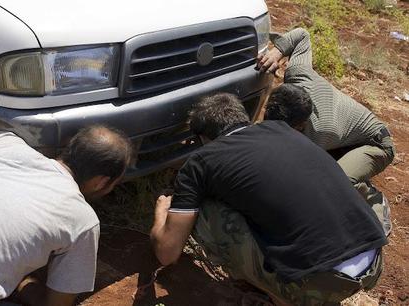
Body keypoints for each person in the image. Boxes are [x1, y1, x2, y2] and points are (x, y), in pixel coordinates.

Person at [150, 93, 387, 305]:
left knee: (206, 211)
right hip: (373, 260)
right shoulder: (283, 130)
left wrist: (162, 212)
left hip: (317, 286)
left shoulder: (201, 162)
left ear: (203, 138)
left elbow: (167, 253)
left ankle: (279, 295)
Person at [0, 125, 132, 306]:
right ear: (101, 183)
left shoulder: (3, 142)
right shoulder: (82, 220)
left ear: (69, 147)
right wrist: (24, 284)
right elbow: (56, 304)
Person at [259, 28, 395, 234]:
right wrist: (277, 52)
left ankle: (373, 200)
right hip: (345, 138)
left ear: (299, 127)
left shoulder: (318, 133)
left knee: (338, 181)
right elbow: (302, 35)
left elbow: (301, 177)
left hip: (375, 144)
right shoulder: (299, 75)